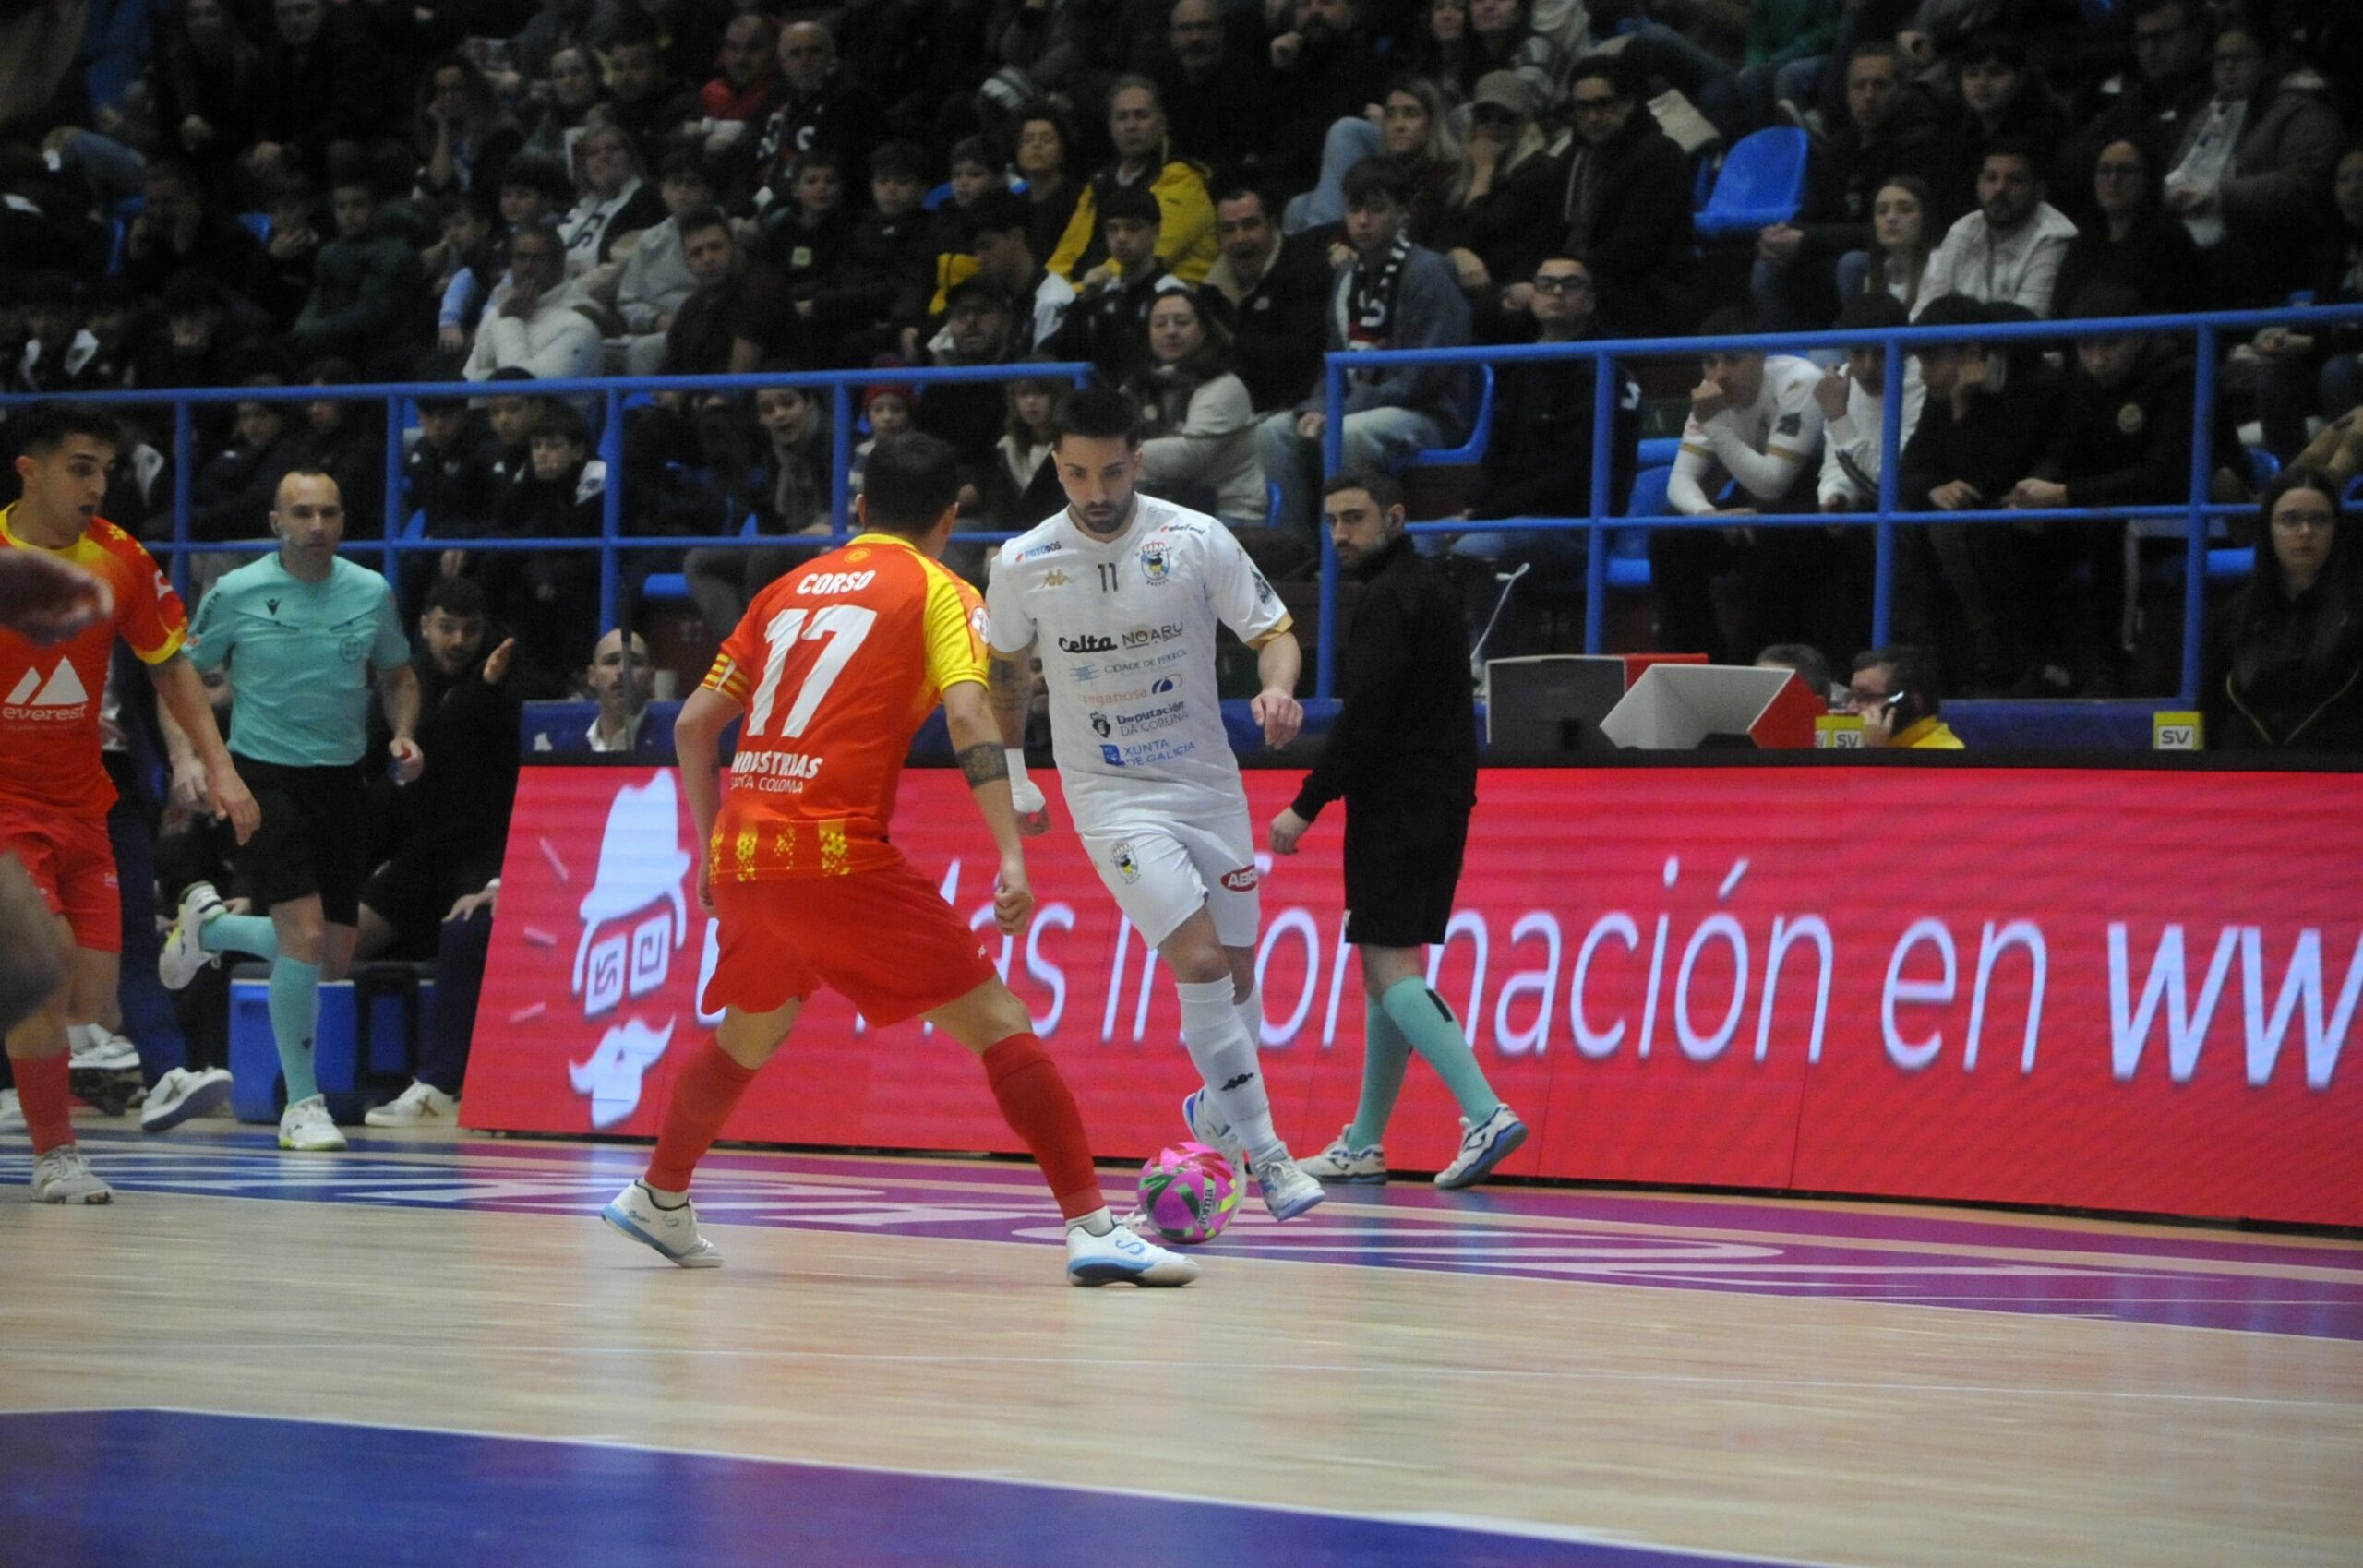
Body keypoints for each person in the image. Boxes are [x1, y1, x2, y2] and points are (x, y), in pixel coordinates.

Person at [602, 432, 1196, 1287]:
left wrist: (708, 849)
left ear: (859, 507)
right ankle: (1094, 1227)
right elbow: (968, 714)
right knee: (1000, 1021)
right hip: (833, 852)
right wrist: (1009, 851)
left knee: (750, 1031)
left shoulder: (783, 589)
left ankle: (659, 1194)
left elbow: (694, 725)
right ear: (950, 517)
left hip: (746, 850)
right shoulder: (942, 591)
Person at [983, 386, 1325, 1223]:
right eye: (1076, 474)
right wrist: (1018, 773)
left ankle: (1214, 1114)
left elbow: (1274, 632)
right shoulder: (1022, 561)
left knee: (1238, 978)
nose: (1095, 492)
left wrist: (1280, 690)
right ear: (1055, 467)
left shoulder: (1195, 538)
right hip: (1110, 793)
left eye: (1110, 472)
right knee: (1199, 963)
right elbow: (1006, 674)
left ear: (1137, 460)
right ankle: (1270, 1159)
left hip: (1207, 784)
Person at [3, 404, 258, 1201]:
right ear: (30, 471)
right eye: (80, 468)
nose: (98, 485)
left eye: (106, 471)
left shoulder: (118, 556)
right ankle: (56, 1155)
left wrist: (220, 767)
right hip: (6, 808)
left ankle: (184, 939)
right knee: (40, 978)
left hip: (86, 807)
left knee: (96, 1002)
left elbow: (169, 665)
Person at [1272, 469, 1527, 1190]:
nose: (1340, 534)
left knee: (1391, 969)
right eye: (1332, 521)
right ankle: (1364, 1141)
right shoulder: (1429, 586)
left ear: (1395, 516)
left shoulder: (1390, 598)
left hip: (1401, 805)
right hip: (1434, 799)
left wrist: (1306, 803)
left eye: (1354, 518)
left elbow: (1367, 718)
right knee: (1383, 964)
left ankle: (1485, 1112)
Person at [158, 469, 420, 1155]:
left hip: (343, 781)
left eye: (329, 512)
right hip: (262, 778)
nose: (317, 525)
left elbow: (398, 675)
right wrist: (190, 760)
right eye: (302, 513)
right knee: (302, 937)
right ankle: (302, 1104)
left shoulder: (371, 591)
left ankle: (213, 930)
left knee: (331, 957)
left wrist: (404, 732)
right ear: (277, 522)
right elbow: (178, 675)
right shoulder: (237, 592)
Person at [1259, 158, 1474, 538]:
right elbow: (1333, 360)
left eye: (1376, 209)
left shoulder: (1429, 271)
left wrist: (1342, 410)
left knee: (1349, 433)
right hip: (1358, 407)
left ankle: (1355, 552)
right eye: (1355, 209)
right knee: (1273, 432)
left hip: (1428, 414)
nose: (1362, 221)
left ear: (1403, 212)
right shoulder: (1345, 275)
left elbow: (1424, 376)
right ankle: (1297, 550)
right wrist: (1318, 406)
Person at [1652, 308, 1829, 663]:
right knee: (1669, 531)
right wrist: (1708, 515)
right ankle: (1695, 660)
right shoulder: (1711, 398)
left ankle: (1753, 661)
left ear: (1761, 355)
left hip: (1812, 499)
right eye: (1710, 362)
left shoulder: (1799, 381)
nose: (1719, 374)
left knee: (1771, 530)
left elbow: (1774, 484)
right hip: (1751, 500)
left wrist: (1714, 425)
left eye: (1732, 360)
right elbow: (1680, 481)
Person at [2203, 468, 2362, 754]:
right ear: (2268, 530)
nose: (2306, 532)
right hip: (2245, 772)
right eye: (2290, 520)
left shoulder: (2357, 613)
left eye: (2319, 520)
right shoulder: (2232, 617)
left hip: (2339, 772)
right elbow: (2208, 714)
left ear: (2336, 529)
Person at [1548, 54, 1694, 336]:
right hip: (1579, 280)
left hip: (1642, 289)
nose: (1593, 117)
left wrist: (1567, 277)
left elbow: (1640, 243)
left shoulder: (1660, 154)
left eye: (1603, 104)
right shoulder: (1571, 159)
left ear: (1629, 103)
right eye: (1582, 107)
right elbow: (1546, 232)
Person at [1130, 281, 1265, 530]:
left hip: (1228, 512)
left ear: (1204, 329)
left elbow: (1188, 457)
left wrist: (1116, 454)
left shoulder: (1225, 386)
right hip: (1161, 508)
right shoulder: (1136, 385)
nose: (1171, 331)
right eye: (1160, 324)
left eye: (1182, 322)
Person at [1919, 141, 2079, 318]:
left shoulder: (2054, 235)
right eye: (1991, 178)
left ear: (2039, 190)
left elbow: (2027, 323)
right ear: (1978, 184)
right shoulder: (1964, 228)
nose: (2000, 188)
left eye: (2015, 180)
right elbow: (1927, 310)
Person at [463, 222, 602, 384]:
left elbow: (522, 388)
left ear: (559, 264)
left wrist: (510, 321)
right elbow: (467, 383)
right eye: (521, 258)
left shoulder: (580, 323)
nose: (527, 267)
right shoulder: (495, 313)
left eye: (538, 259)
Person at [1843, 648, 1963, 748]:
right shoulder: (1886, 745)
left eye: (1865, 696)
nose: (1850, 709)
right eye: (1851, 696)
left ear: (1910, 702)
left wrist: (1872, 752)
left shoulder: (1943, 754)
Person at [582, 627, 662, 754]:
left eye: (635, 662)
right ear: (592, 676)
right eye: (611, 661)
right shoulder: (565, 748)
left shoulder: (678, 748)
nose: (623, 671)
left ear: (650, 678)